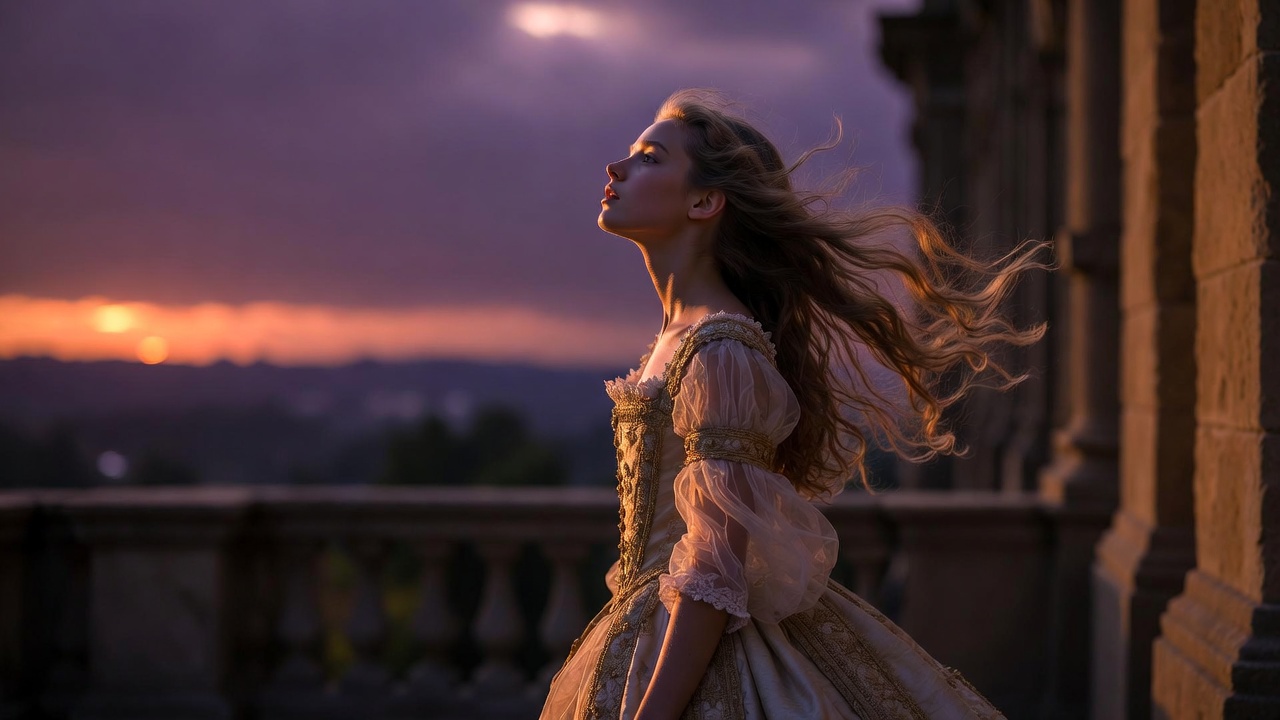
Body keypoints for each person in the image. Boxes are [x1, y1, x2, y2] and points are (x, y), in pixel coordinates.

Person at [540, 89, 1045, 720]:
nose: (616, 169)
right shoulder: (678, 340)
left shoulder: (721, 350)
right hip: (645, 633)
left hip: (693, 655)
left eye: (649, 158)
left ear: (704, 201)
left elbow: (711, 572)